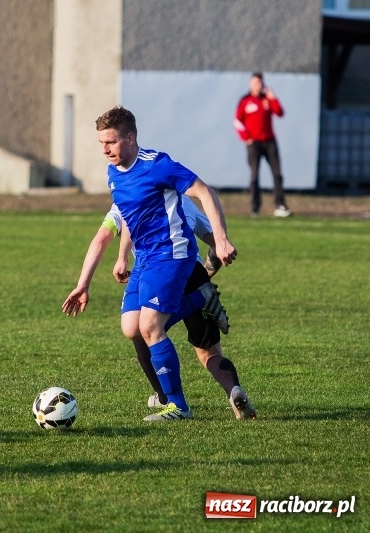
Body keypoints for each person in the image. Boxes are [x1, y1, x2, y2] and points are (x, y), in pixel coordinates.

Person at [92, 105, 236, 422]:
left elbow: (204, 192)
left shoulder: (158, 165)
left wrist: (222, 239)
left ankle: (177, 405)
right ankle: (202, 298)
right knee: (132, 327)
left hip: (172, 257)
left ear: (130, 138)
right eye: (101, 143)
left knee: (155, 329)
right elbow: (130, 218)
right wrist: (121, 256)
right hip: (146, 260)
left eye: (111, 142)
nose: (105, 149)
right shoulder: (114, 173)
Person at [62, 198, 256, 420]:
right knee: (209, 353)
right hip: (193, 274)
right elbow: (217, 247)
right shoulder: (183, 200)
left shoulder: (127, 199)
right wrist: (203, 277)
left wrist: (93, 276)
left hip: (159, 274)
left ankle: (165, 396)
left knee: (142, 327)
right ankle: (234, 390)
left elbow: (101, 239)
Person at [234, 72, 292, 218]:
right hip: (254, 143)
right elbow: (237, 121)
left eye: (259, 83)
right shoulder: (245, 101)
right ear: (250, 84)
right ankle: (255, 208)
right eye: (254, 83)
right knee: (254, 176)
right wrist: (246, 138)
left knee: (277, 174)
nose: (257, 86)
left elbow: (279, 112)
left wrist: (273, 98)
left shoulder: (267, 99)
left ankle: (280, 205)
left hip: (270, 142)